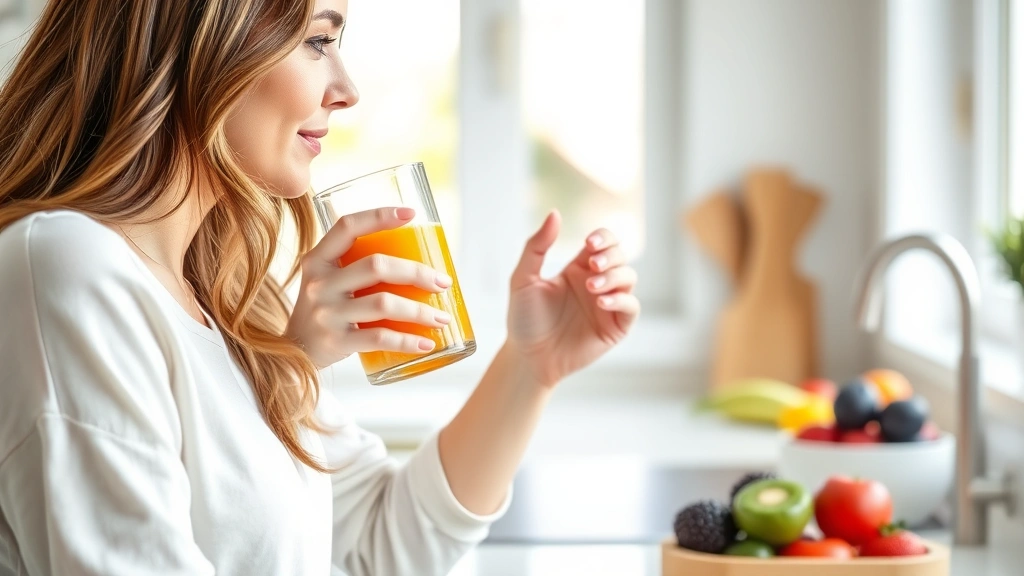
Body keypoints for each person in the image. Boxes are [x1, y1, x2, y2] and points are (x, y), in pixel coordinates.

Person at [0, 0, 640, 574]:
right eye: (316, 40)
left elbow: (380, 544)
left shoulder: (235, 301)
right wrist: (293, 367)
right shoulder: (68, 269)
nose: (347, 89)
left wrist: (531, 366)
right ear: (202, 39)